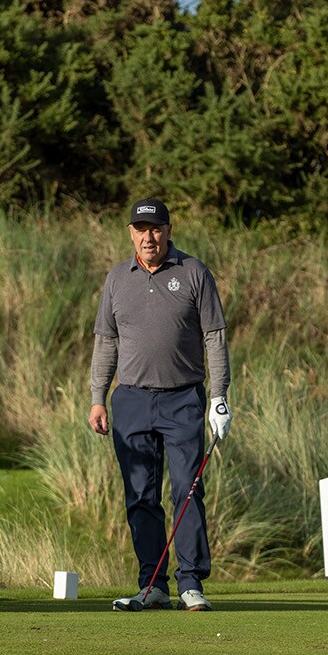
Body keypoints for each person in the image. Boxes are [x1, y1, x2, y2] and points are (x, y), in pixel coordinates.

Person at [89, 197, 231, 612]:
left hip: (183, 398)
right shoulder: (117, 279)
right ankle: (152, 585)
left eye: (156, 229)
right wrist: (98, 398)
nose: (149, 237)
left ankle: (191, 583)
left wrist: (219, 396)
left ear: (168, 230)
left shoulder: (193, 272)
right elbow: (105, 342)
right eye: (141, 229)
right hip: (130, 399)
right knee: (140, 494)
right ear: (131, 233)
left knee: (187, 490)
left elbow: (214, 337)